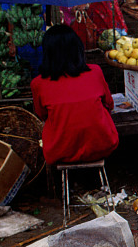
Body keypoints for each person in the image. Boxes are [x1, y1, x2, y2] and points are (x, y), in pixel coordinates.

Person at [31, 24, 119, 165]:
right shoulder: (95, 71)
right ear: (77, 48)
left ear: (47, 52)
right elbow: (109, 104)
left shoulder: (38, 83)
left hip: (60, 152)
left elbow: (42, 115)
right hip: (103, 145)